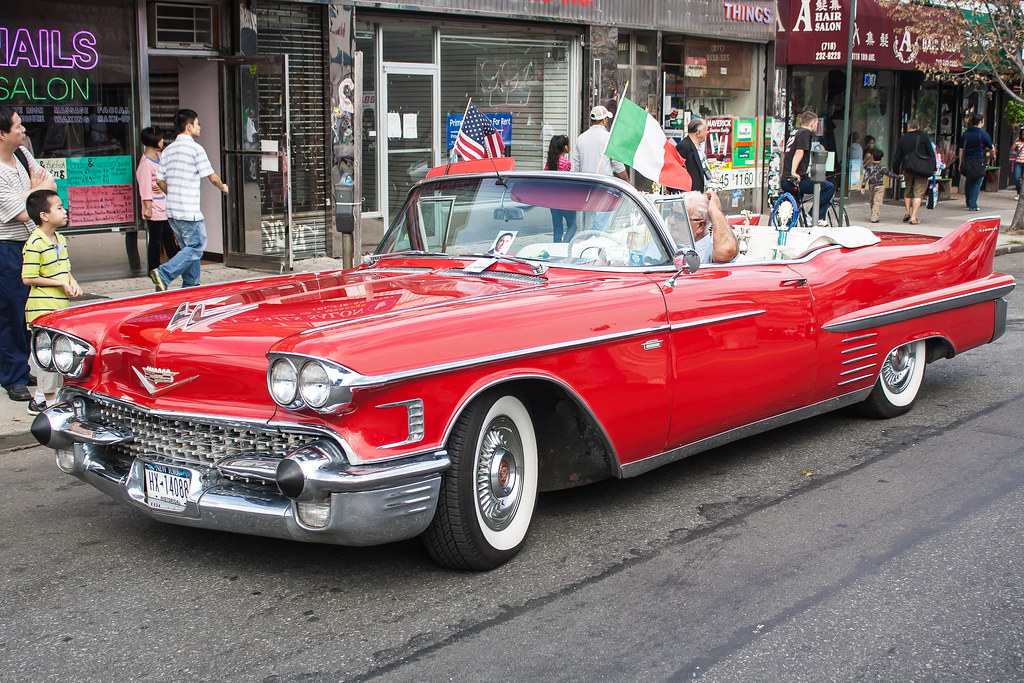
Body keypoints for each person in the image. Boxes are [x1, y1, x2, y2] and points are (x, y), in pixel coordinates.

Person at [0, 105, 57, 403]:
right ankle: (13, 376)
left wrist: (34, 192)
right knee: (10, 312)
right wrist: (33, 193)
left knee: (28, 309)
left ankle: (22, 366)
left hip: (31, 246)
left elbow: (49, 190)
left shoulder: (22, 155)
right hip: (6, 247)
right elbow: (24, 213)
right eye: (18, 126)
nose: (23, 130)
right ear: (2, 134)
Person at [150, 109, 228, 291]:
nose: (200, 127)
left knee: (189, 251)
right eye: (197, 123)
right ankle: (163, 273)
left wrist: (173, 192)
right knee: (197, 247)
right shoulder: (195, 149)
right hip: (189, 212)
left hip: (172, 212)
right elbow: (212, 176)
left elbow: (159, 180)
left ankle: (191, 288)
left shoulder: (168, 150)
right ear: (189, 126)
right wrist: (223, 187)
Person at [21, 189, 81, 415]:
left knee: (48, 354)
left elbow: (65, 268)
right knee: (47, 354)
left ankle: (38, 399)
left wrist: (71, 281)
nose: (64, 211)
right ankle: (50, 403)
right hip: (41, 308)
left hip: (59, 307)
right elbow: (27, 277)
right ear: (44, 215)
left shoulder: (60, 239)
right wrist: (60, 283)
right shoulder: (34, 242)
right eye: (58, 207)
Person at [136, 126, 180, 274]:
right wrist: (147, 207)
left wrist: (162, 185)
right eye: (160, 138)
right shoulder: (145, 164)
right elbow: (145, 187)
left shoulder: (160, 156)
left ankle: (175, 264)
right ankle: (153, 269)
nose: (162, 141)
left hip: (164, 204)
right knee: (155, 240)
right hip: (155, 207)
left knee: (168, 237)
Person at [781, 110, 835, 225]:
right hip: (796, 179)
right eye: (816, 124)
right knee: (828, 187)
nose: (816, 126)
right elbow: (799, 152)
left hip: (785, 179)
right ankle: (814, 216)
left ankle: (789, 225)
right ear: (812, 124)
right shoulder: (806, 133)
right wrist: (794, 172)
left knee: (794, 207)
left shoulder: (795, 132)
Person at [663, 190, 739, 266]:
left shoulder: (708, 251)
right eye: (671, 213)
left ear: (700, 226)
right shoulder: (661, 241)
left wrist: (715, 210)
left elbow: (727, 250)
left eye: (679, 216)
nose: (670, 221)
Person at [892, 119, 935, 225]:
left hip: (908, 168)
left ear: (908, 127)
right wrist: (933, 167)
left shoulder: (903, 138)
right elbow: (931, 153)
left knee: (908, 190)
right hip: (922, 169)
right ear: (918, 126)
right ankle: (914, 217)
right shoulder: (924, 136)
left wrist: (896, 171)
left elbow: (897, 156)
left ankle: (907, 212)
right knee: (918, 193)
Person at [572, 105, 629, 181]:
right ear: (604, 120)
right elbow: (618, 164)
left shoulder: (580, 139)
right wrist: (628, 183)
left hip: (585, 185)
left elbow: (577, 167)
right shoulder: (609, 138)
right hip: (603, 185)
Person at [544, 134, 577, 241]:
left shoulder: (549, 162)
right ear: (565, 147)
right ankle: (565, 245)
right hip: (565, 199)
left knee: (557, 228)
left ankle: (556, 247)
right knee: (572, 225)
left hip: (552, 200)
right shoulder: (566, 163)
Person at [959, 114, 993, 212]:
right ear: (981, 122)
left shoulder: (965, 134)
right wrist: (992, 155)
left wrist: (960, 162)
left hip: (967, 160)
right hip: (979, 161)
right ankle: (973, 204)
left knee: (969, 181)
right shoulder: (983, 134)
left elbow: (961, 149)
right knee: (977, 183)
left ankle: (968, 201)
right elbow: (991, 147)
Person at [860, 149, 899, 223]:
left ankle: (873, 215)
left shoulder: (869, 167)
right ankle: (874, 217)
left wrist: (863, 186)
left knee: (872, 201)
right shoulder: (882, 167)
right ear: (882, 158)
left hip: (871, 186)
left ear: (872, 157)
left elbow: (866, 176)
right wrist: (898, 176)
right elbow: (889, 174)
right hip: (880, 186)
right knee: (877, 202)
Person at [674, 117, 710, 192]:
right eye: (706, 130)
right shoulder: (684, 146)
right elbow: (676, 171)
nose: (707, 132)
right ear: (698, 132)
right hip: (690, 194)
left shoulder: (699, 147)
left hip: (700, 192)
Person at [1010, 128, 1024, 201]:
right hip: (1018, 162)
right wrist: (1016, 140)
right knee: (1016, 178)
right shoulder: (1018, 142)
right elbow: (1012, 148)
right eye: (1022, 134)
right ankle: (1018, 193)